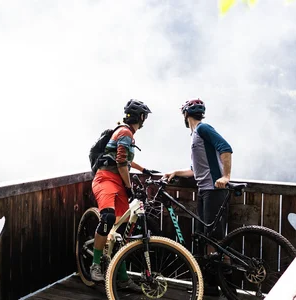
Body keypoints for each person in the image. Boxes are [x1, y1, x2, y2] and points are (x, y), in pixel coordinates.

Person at [162, 98, 232, 295]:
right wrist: (175, 172)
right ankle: (209, 285)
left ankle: (225, 283)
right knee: (204, 236)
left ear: (185, 115)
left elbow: (226, 147)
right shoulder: (196, 135)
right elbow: (195, 170)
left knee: (215, 239)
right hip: (204, 190)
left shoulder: (203, 129)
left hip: (214, 190)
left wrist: (226, 176)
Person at [89, 99, 157, 291]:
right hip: (106, 179)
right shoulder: (126, 132)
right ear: (141, 117)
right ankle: (95, 264)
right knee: (108, 218)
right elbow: (120, 163)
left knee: (120, 234)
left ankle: (123, 278)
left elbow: (125, 159)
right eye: (145, 117)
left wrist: (143, 169)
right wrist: (129, 188)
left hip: (116, 181)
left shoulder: (125, 132)